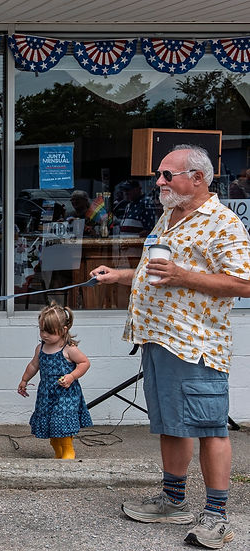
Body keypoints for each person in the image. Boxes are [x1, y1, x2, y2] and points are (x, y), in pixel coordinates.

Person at [89, 145, 250, 549]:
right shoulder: (170, 215)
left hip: (195, 344)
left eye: (166, 175)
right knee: (170, 425)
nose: (158, 182)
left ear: (197, 178)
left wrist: (182, 274)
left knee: (210, 428)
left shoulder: (223, 223)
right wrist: (121, 275)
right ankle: (173, 500)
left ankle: (217, 517)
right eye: (159, 175)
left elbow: (244, 283)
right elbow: (156, 274)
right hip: (158, 338)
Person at [17, 302, 92, 459]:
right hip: (46, 394)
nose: (44, 335)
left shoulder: (69, 349)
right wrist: (24, 380)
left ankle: (68, 450)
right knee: (52, 426)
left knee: (61, 423)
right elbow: (33, 365)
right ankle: (58, 453)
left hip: (65, 394)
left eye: (50, 332)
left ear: (64, 330)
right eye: (42, 330)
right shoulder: (41, 348)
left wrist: (72, 376)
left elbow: (85, 363)